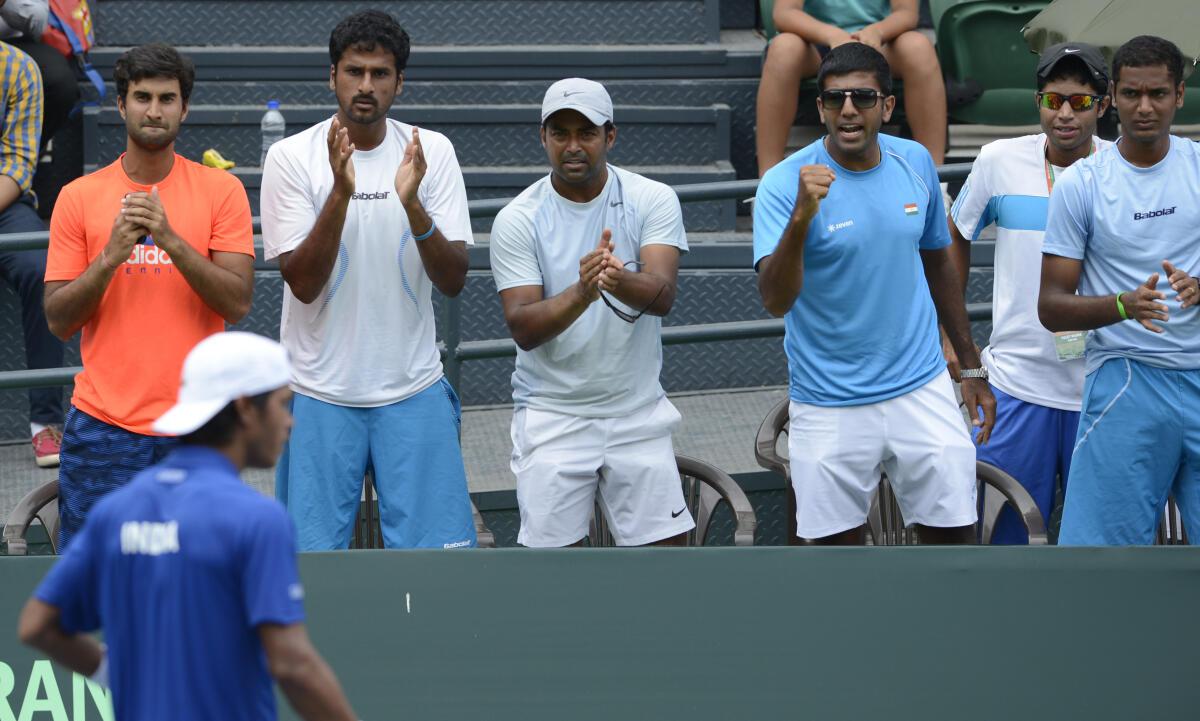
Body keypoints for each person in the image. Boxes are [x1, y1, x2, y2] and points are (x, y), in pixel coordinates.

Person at [17, 331, 359, 721]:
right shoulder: (256, 519)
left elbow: (36, 626)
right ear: (246, 408)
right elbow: (292, 665)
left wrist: (116, 675)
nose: (289, 421)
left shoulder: (117, 511)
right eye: (282, 404)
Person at [754, 43, 994, 545]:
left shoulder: (916, 163)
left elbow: (938, 262)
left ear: (887, 106)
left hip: (920, 387)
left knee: (954, 543)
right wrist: (801, 219)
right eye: (834, 98)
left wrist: (969, 365)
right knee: (834, 566)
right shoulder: (783, 184)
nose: (847, 109)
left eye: (863, 97)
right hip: (828, 401)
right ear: (819, 108)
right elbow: (776, 300)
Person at [261, 10, 476, 550]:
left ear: (399, 82)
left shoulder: (432, 152)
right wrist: (339, 192)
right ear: (332, 75)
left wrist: (412, 203)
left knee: (438, 569)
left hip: (413, 386)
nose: (366, 86)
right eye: (354, 71)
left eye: (380, 74)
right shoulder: (290, 157)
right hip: (316, 392)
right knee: (309, 571)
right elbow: (303, 283)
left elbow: (452, 279)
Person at [43, 43, 255, 549]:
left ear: (184, 108)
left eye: (167, 98)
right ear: (121, 105)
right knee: (98, 582)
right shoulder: (79, 197)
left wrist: (172, 240)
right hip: (104, 427)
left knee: (200, 579)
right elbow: (58, 319)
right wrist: (111, 256)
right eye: (142, 97)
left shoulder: (221, 192)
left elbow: (237, 302)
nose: (154, 111)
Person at [489, 78, 695, 547]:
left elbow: (663, 297)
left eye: (587, 132)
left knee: (666, 565)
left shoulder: (653, 198)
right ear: (543, 138)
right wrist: (583, 291)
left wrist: (616, 279)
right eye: (560, 133)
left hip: (637, 412)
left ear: (611, 137)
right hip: (551, 414)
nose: (573, 146)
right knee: (553, 579)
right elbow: (522, 327)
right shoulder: (518, 218)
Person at [945, 43, 1113, 544]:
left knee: (1103, 551)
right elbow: (956, 233)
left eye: (1080, 102)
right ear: (1038, 101)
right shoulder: (999, 160)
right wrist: (955, 341)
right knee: (1003, 547)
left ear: (1103, 106)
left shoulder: (1124, 170)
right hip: (1015, 388)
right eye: (1053, 99)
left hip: (1104, 390)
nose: (1064, 113)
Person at [1039, 35, 1200, 545]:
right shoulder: (1081, 184)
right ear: (1112, 98)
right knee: (1100, 570)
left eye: (1157, 93)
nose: (1144, 107)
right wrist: (1123, 305)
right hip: (1126, 381)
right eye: (1131, 94)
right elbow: (1051, 307)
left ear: (1179, 93)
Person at [756, 0, 946, 176]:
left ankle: (935, 180)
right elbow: (785, 13)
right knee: (783, 49)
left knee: (918, 48)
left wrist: (877, 32)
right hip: (817, 42)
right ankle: (766, 183)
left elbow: (906, 13)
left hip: (877, 42)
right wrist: (833, 35)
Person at [0, 38, 64, 467]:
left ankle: (45, 422)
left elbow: (18, 163)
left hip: (5, 201)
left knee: (43, 270)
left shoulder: (18, 67)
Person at [0, 0, 79, 147]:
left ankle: (19, 155)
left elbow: (39, 21)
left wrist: (5, 3)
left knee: (59, 82)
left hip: (13, 41)